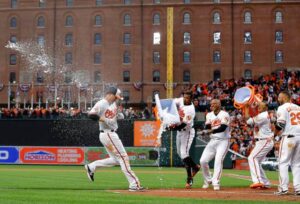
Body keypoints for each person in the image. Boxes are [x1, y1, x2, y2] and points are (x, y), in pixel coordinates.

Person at [84, 86, 144, 192]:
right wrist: (103, 119)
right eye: (116, 97)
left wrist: (119, 115)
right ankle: (134, 185)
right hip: (108, 134)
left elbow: (114, 116)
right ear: (111, 94)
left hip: (108, 134)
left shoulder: (113, 104)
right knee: (124, 158)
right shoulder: (102, 103)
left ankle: (92, 166)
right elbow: (91, 115)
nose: (117, 99)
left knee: (116, 159)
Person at [170, 90, 200, 189]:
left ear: (191, 98)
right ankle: (195, 167)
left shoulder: (191, 110)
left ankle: (189, 178)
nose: (186, 99)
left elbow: (183, 124)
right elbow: (170, 103)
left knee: (184, 154)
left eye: (188, 98)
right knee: (180, 153)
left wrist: (171, 128)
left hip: (187, 132)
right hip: (180, 132)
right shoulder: (180, 100)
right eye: (185, 97)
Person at [199, 99, 230, 191]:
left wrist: (210, 131)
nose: (211, 105)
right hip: (213, 141)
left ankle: (215, 181)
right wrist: (205, 131)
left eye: (214, 103)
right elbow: (208, 127)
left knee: (218, 160)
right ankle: (208, 180)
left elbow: (223, 128)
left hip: (223, 141)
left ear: (219, 105)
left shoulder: (224, 114)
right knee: (203, 161)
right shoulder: (209, 115)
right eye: (211, 104)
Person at [274, 91, 300, 196]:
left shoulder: (282, 107)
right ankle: (298, 188)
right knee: (297, 164)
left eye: (279, 97)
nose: (278, 98)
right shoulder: (298, 107)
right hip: (299, 136)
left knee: (283, 162)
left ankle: (283, 188)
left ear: (285, 97)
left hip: (289, 136)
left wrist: (274, 135)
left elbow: (280, 124)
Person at [244, 102, 274, 189]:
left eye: (261, 105)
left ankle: (258, 181)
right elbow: (253, 116)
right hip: (263, 140)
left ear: (265, 107)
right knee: (257, 161)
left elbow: (248, 121)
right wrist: (252, 107)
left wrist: (246, 108)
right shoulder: (263, 115)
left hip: (264, 140)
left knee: (252, 158)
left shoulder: (262, 116)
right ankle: (265, 182)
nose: (258, 106)